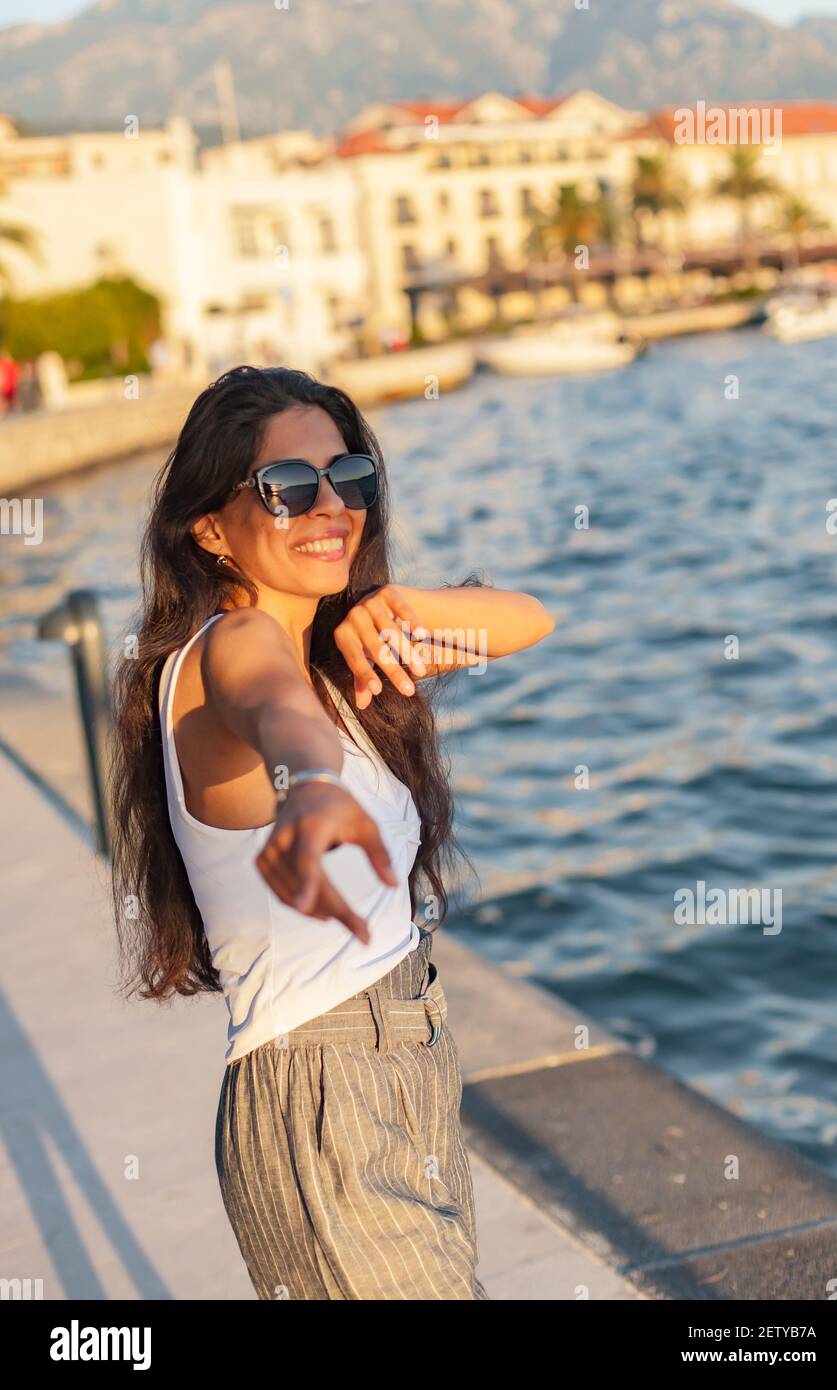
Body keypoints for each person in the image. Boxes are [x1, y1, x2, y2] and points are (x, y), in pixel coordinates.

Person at [109, 364, 556, 1301]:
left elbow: (531, 620)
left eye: (349, 479)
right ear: (210, 527)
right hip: (323, 1095)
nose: (330, 508)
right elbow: (271, 706)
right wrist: (310, 784)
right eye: (287, 488)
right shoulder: (227, 653)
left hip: (405, 1062)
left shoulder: (337, 658)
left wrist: (406, 610)